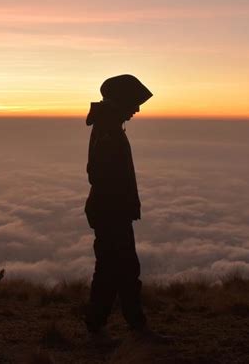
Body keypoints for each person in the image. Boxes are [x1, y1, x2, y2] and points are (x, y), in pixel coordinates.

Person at [84, 74, 171, 346]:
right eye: (134, 102)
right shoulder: (108, 130)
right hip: (112, 213)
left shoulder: (108, 125)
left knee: (116, 270)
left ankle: (110, 326)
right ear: (120, 101)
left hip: (110, 211)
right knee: (118, 270)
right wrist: (120, 208)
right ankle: (119, 328)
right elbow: (102, 175)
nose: (137, 109)